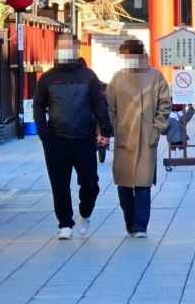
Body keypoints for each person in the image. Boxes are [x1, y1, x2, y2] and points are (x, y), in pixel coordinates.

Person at [32, 31, 112, 239]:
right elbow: (39, 106)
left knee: (90, 183)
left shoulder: (88, 76)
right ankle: (65, 223)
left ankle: (85, 213)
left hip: (84, 137)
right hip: (56, 138)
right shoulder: (48, 77)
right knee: (59, 183)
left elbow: (99, 104)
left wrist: (105, 130)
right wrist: (43, 133)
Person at [106, 37, 170, 237]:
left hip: (146, 136)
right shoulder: (117, 78)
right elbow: (109, 107)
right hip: (124, 136)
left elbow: (164, 105)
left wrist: (157, 127)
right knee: (124, 185)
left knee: (143, 184)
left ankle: (140, 225)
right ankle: (129, 221)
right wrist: (108, 129)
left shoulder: (156, 76)